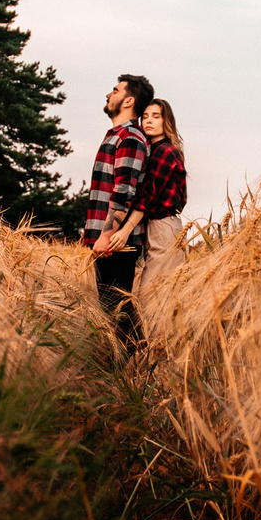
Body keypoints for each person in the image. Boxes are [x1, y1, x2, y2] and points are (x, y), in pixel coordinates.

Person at [83, 73, 153, 347]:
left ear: (129, 100)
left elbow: (124, 191)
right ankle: (130, 361)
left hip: (117, 241)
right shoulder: (117, 135)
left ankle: (138, 359)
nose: (108, 94)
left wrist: (106, 235)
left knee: (118, 309)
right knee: (112, 309)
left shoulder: (131, 137)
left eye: (115, 90)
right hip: (109, 239)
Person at [137, 98, 189, 289]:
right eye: (145, 117)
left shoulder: (164, 151)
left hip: (162, 225)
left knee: (151, 292)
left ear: (166, 121)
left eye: (156, 116)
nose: (149, 121)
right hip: (159, 226)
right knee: (160, 291)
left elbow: (147, 195)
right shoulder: (153, 151)